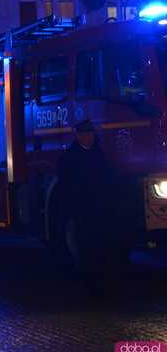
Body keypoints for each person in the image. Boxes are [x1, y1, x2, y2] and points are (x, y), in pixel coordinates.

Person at [56, 120, 127, 286]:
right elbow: (66, 184)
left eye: (90, 134)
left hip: (99, 207)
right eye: (85, 134)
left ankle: (98, 274)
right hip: (82, 208)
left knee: (98, 241)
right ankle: (87, 276)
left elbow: (107, 178)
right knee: (85, 242)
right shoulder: (69, 158)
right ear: (79, 136)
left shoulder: (99, 155)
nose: (89, 138)